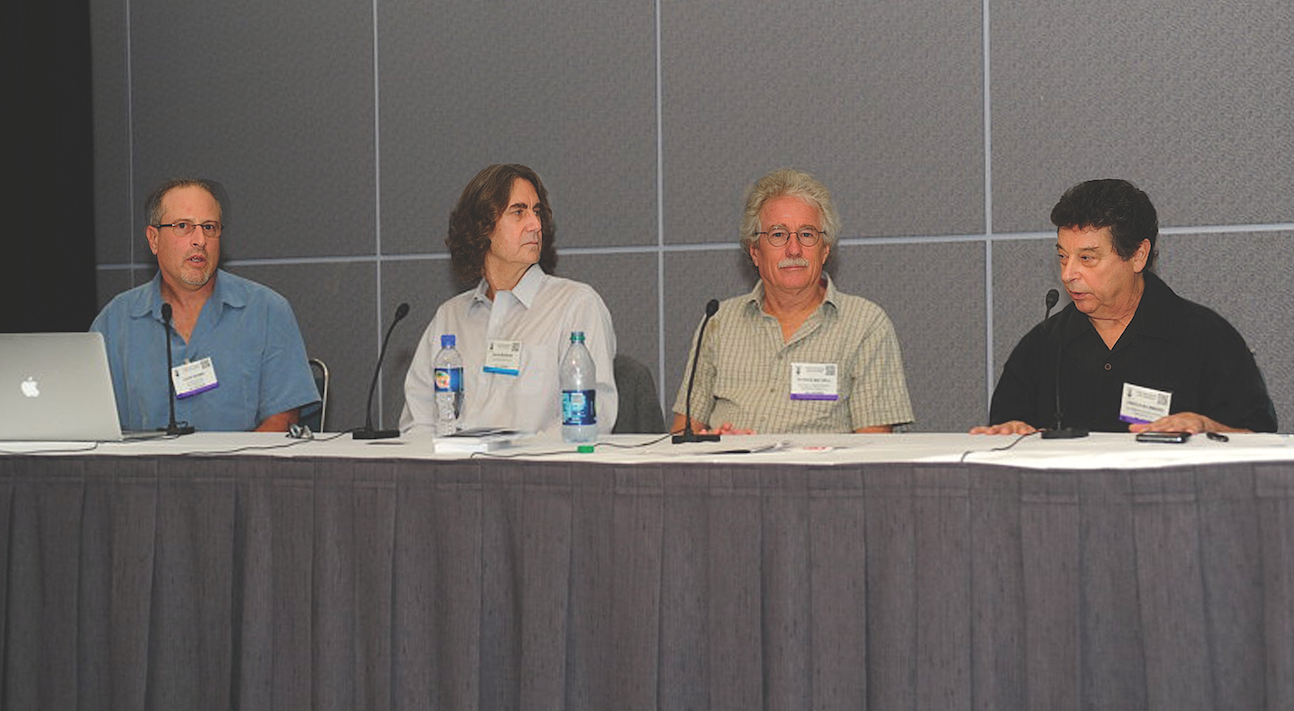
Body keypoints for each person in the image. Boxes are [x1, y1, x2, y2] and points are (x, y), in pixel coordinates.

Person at [973, 178, 1276, 436]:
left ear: (1138, 255)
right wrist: (1009, 435)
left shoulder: (1207, 339)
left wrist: (1209, 428)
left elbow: (1260, 441)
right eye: (1063, 256)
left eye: (1087, 258)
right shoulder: (1041, 348)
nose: (1068, 274)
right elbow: (1003, 438)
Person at [671, 168, 914, 434]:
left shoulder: (865, 324)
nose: (794, 249)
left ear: (824, 250)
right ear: (755, 252)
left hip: (819, 474)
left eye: (807, 234)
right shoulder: (718, 322)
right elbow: (681, 437)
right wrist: (716, 445)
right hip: (727, 473)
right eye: (778, 235)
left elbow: (875, 453)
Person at [400, 164, 618, 437]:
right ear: (483, 227)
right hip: (454, 474)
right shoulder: (449, 317)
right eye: (518, 212)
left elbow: (591, 418)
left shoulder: (576, 305)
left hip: (537, 474)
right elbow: (417, 423)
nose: (535, 225)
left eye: (537, 212)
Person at [91, 178, 318, 432]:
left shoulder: (267, 312)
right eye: (183, 226)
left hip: (238, 470)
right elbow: (90, 421)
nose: (200, 239)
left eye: (209, 227)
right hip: (142, 470)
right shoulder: (115, 322)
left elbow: (282, 421)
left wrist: (228, 470)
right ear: (154, 239)